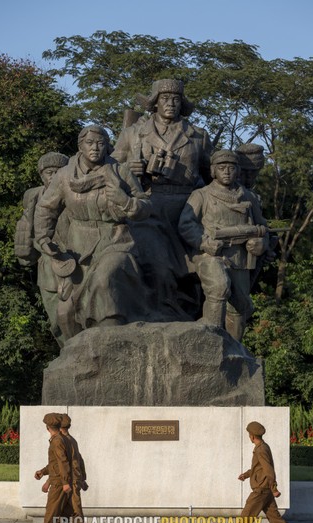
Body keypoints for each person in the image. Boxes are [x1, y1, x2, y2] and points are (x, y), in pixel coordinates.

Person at [34, 125, 152, 339]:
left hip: (115, 241)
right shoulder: (64, 176)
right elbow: (46, 208)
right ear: (80, 146)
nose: (95, 148)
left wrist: (125, 202)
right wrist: (43, 237)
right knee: (65, 312)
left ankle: (110, 344)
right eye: (90, 143)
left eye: (101, 143)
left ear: (107, 146)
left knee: (104, 281)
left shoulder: (120, 171)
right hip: (78, 248)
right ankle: (78, 361)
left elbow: (145, 207)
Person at [112, 79, 213, 319]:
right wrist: (128, 167)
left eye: (176, 99)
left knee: (192, 274)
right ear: (155, 103)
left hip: (187, 208)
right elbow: (110, 169)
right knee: (156, 267)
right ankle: (155, 315)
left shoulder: (198, 136)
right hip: (148, 206)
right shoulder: (132, 134)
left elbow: (212, 177)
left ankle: (189, 317)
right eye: (165, 99)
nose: (171, 103)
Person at [178, 150, 269, 341]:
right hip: (209, 255)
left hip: (239, 258)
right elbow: (186, 224)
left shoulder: (248, 197)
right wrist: (205, 243)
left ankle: (234, 351)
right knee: (219, 287)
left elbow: (262, 228)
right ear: (213, 171)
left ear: (237, 170)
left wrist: (260, 244)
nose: (226, 172)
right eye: (221, 168)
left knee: (240, 305)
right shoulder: (201, 195)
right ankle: (211, 341)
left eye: (231, 167)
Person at [14, 152, 70, 346]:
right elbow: (26, 229)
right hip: (47, 266)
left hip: (74, 262)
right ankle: (66, 352)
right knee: (55, 319)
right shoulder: (34, 197)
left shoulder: (74, 194)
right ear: (41, 175)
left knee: (74, 314)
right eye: (49, 172)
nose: (53, 177)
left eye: (58, 172)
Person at [223, 421, 300, 523]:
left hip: (261, 490)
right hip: (265, 490)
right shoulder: (264, 447)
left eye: (249, 434)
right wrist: (246, 475)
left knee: (246, 516)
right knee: (274, 517)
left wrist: (274, 488)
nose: (249, 436)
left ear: (252, 436)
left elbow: (268, 470)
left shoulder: (261, 450)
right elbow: (258, 468)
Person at [49, 414, 100, 523]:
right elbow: (79, 460)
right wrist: (82, 478)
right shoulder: (71, 440)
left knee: (71, 511)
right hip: (71, 480)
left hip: (68, 482)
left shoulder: (63, 441)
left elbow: (62, 464)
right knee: (65, 510)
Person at [29, 413, 73, 523]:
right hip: (58, 481)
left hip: (59, 483)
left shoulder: (57, 441)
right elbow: (55, 463)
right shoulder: (59, 439)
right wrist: (43, 471)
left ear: (48, 427)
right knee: (68, 512)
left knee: (51, 513)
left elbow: (63, 462)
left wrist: (65, 482)